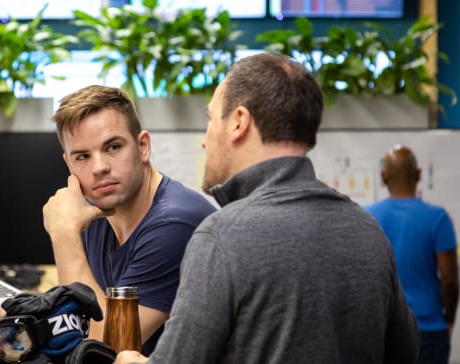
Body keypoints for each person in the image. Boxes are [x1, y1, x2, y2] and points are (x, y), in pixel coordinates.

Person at [114, 53, 419, 364]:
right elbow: (406, 352)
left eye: (210, 118)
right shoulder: (367, 231)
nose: (205, 140)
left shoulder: (222, 237)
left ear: (238, 123)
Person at [42, 85, 217, 355]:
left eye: (113, 147)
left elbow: (102, 350)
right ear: (69, 165)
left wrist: (64, 233)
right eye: (83, 156)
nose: (99, 168)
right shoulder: (96, 211)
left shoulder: (176, 223)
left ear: (143, 146)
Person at [365, 144, 459, 364]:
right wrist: (450, 318)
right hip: (429, 329)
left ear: (383, 177)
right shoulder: (438, 218)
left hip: (383, 329)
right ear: (418, 175)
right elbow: (450, 280)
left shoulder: (366, 218)